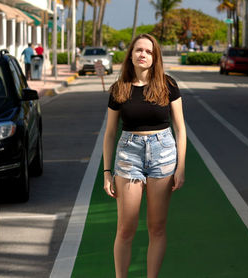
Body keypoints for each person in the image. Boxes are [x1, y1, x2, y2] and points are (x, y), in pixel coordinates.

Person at [103, 33, 186, 278]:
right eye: (139, 50)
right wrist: (107, 172)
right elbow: (109, 134)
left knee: (156, 227)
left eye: (149, 52)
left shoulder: (168, 85)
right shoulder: (119, 88)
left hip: (163, 155)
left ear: (155, 57)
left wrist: (180, 168)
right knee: (126, 228)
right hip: (129, 155)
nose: (143, 55)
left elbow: (180, 129)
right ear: (130, 54)